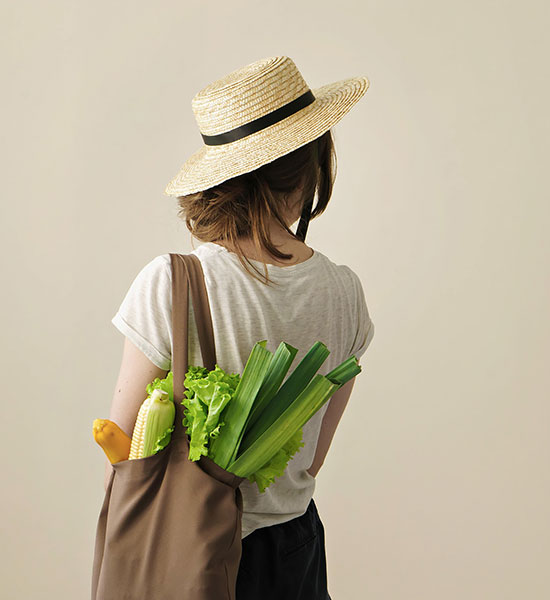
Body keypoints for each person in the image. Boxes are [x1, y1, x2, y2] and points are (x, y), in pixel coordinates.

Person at [104, 56, 374, 600]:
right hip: (292, 547)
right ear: (313, 166)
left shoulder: (172, 282)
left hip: (186, 549)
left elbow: (123, 440)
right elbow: (312, 455)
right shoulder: (344, 292)